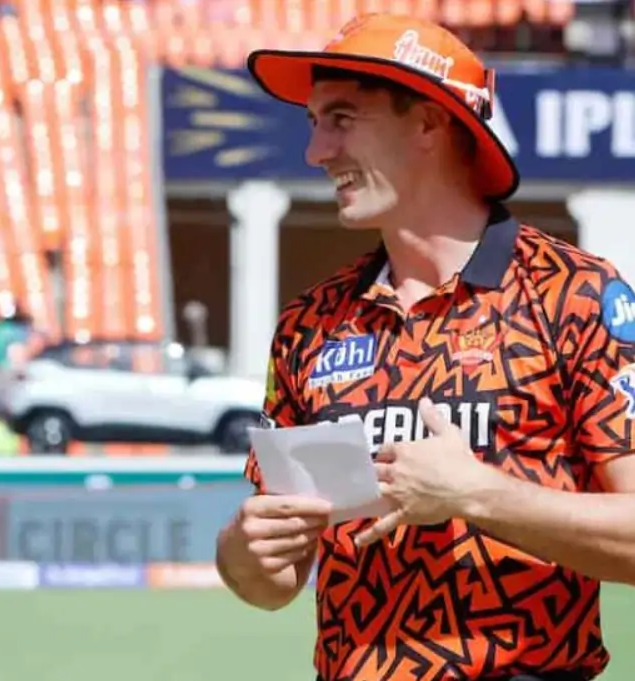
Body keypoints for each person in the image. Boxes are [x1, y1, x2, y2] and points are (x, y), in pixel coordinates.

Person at [215, 14, 635, 681]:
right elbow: (274, 583)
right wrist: (243, 552)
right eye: (315, 123)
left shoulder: (574, 295)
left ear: (430, 122)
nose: (316, 151)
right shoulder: (309, 324)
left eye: (342, 118)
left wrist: (478, 495)